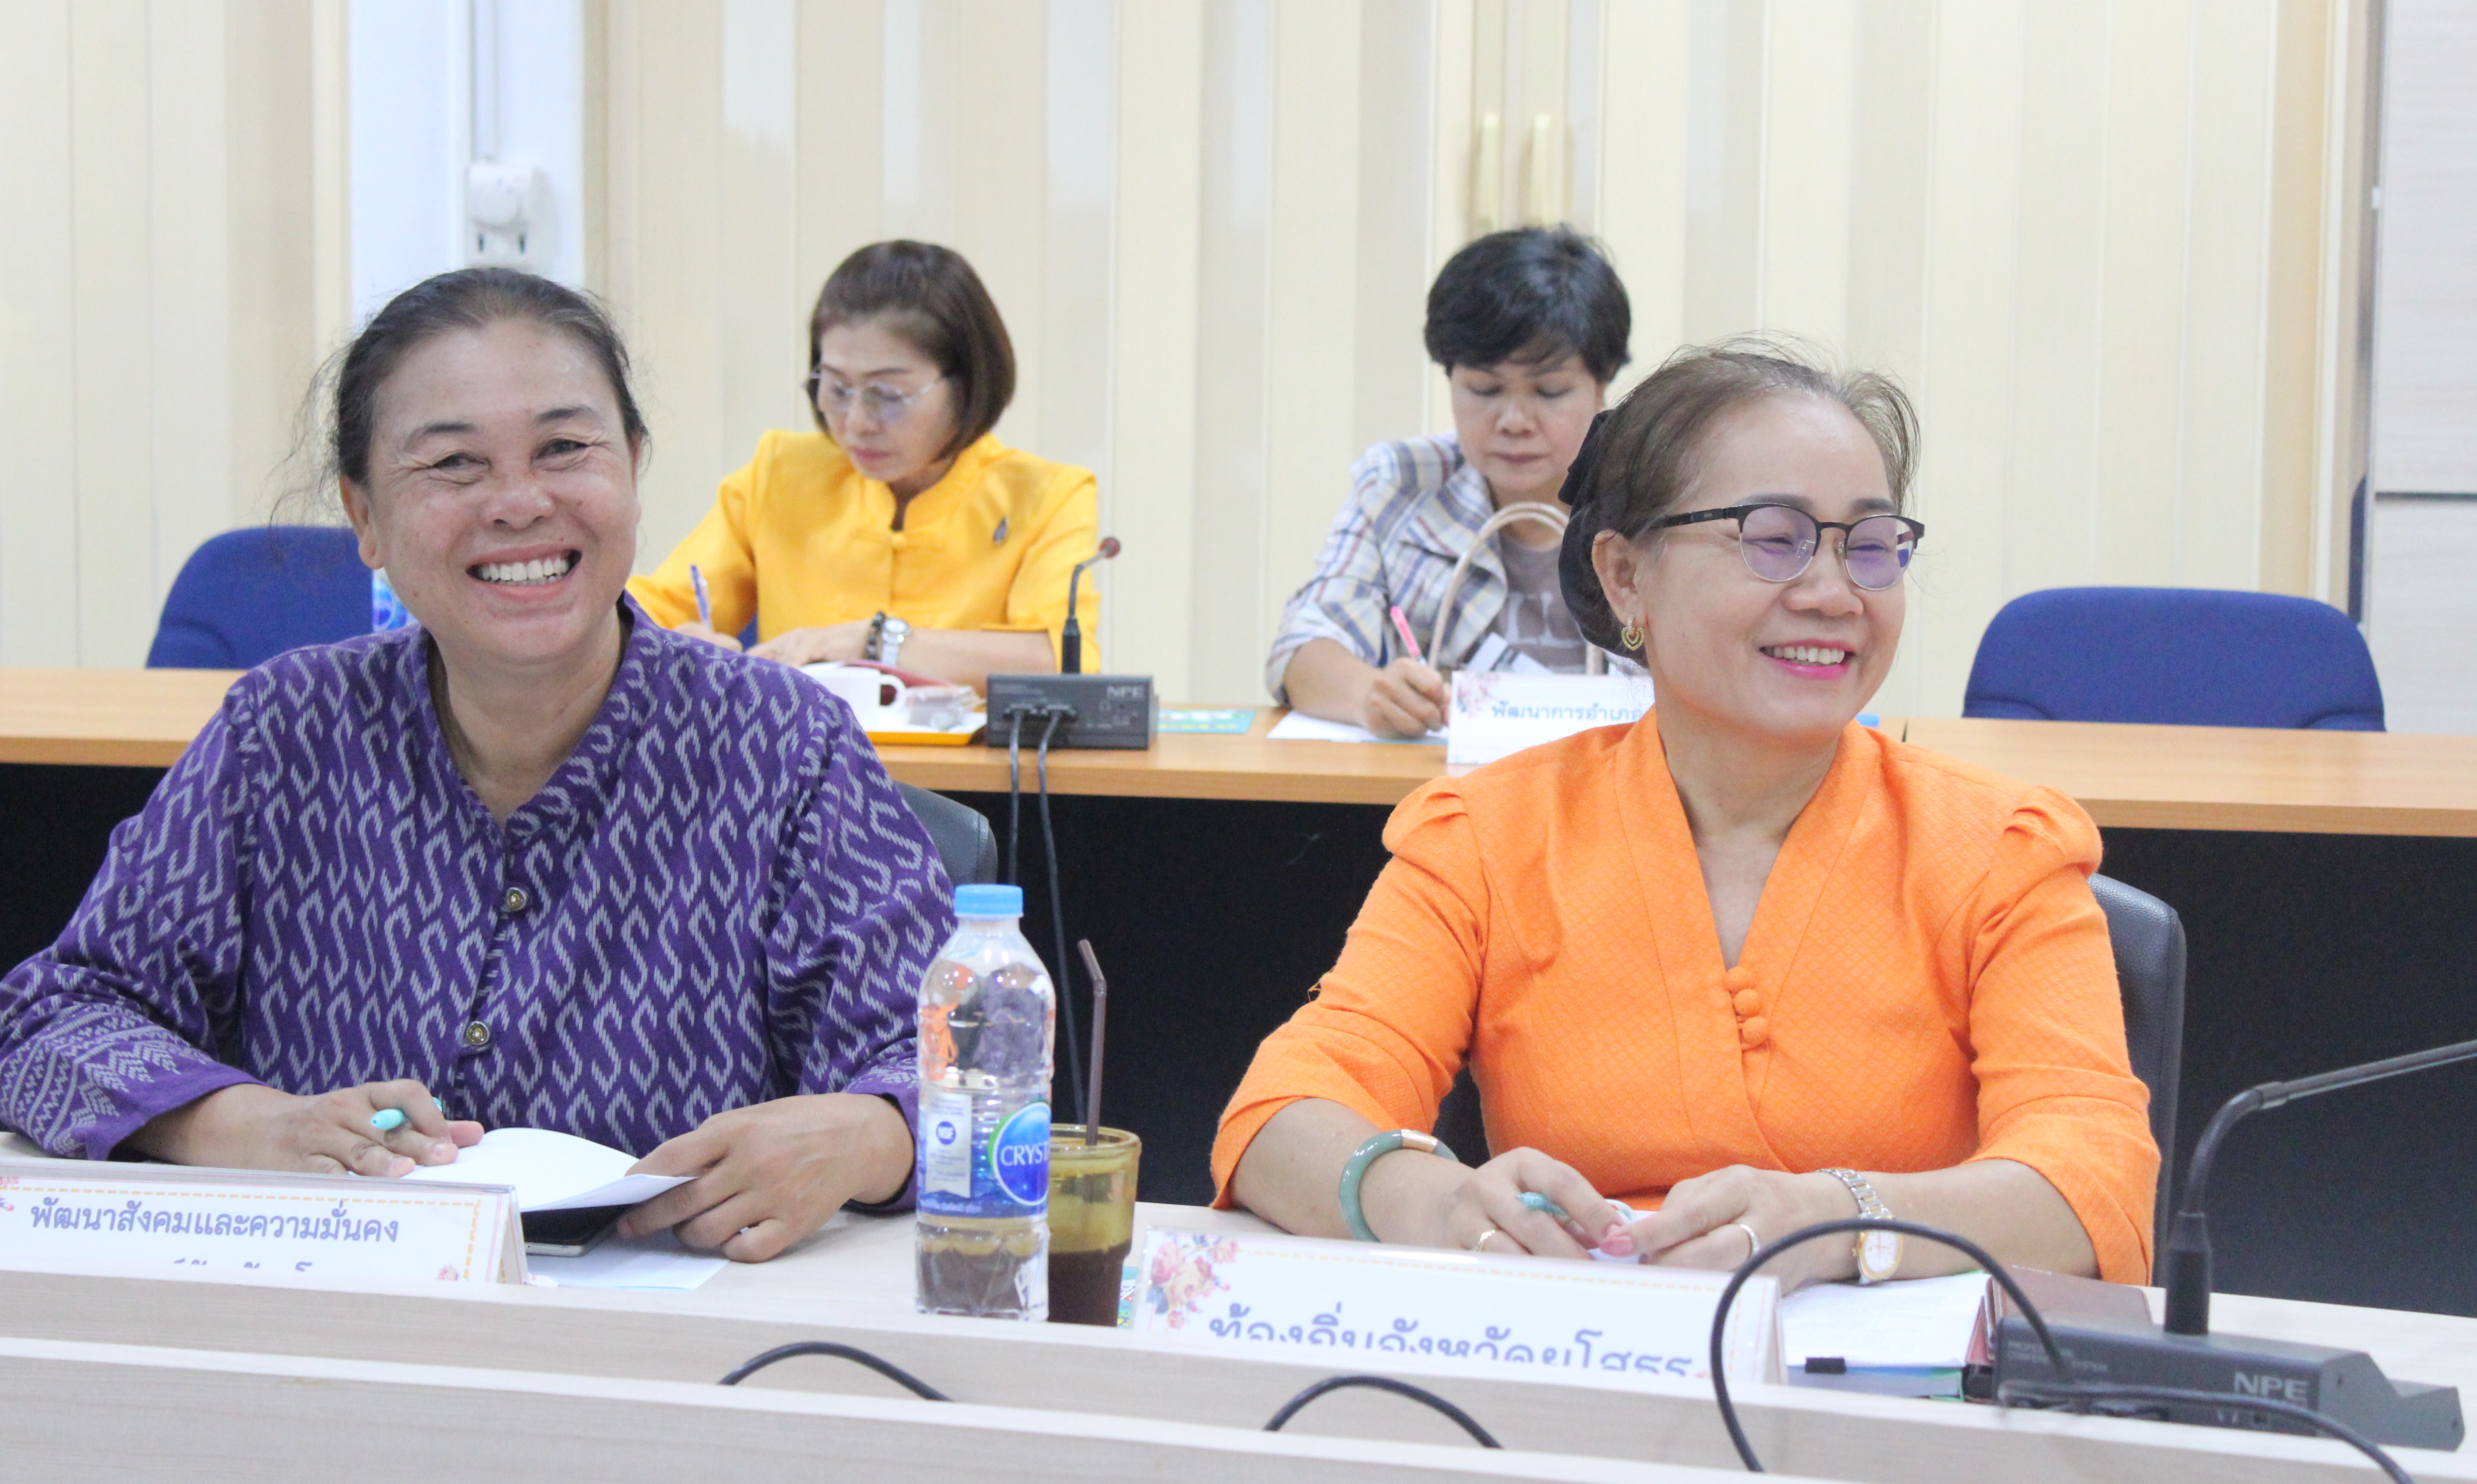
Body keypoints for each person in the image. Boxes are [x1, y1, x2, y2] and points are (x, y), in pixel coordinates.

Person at [0, 268, 943, 1262]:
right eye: (453, 464)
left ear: (636, 467)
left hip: (678, 1352)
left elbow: (958, 1064)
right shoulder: (285, 732)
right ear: (364, 515)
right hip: (332, 1330)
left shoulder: (779, 746)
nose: (521, 503)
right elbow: (52, 1026)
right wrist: (247, 1125)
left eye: (565, 449)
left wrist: (871, 1136)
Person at [1217, 340, 2158, 1290]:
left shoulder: (1998, 850)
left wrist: (1836, 1222)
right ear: (1626, 577)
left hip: (1883, 1406)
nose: (1834, 595)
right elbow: (1280, 1117)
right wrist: (1437, 1205)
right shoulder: (1487, 836)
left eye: (1869, 548)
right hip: (1575, 1372)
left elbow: (2093, 1180)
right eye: (1771, 537)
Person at [627, 241, 1099, 692]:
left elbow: (1058, 662)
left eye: (887, 395)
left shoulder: (1045, 496)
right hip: (799, 769)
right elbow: (645, 613)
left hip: (965, 776)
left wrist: (871, 641)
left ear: (968, 383)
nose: (856, 423)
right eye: (836, 389)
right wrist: (681, 643)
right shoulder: (782, 474)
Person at [1270, 225, 1645, 738]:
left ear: (1602, 386)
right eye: (1484, 389)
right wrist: (1371, 695)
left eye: (1551, 391)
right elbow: (1303, 647)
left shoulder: (1652, 496)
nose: (1514, 420)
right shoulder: (1402, 484)